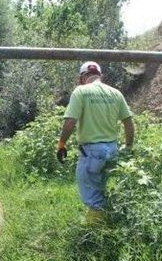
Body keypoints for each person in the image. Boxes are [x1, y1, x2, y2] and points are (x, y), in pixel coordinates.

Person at [56, 61, 135, 224]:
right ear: (100, 75)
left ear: (82, 78)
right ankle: (102, 220)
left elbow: (70, 122)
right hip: (112, 150)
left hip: (92, 152)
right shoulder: (115, 93)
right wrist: (128, 146)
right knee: (100, 187)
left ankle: (95, 233)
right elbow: (128, 121)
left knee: (92, 194)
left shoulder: (81, 91)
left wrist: (61, 144)